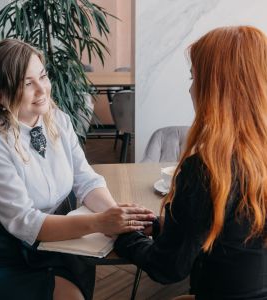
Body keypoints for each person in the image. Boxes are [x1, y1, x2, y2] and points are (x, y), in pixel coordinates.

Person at [0, 39, 155, 300]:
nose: (42, 90)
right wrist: (100, 222)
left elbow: (85, 179)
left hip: (58, 239)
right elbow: (26, 222)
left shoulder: (58, 119)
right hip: (0, 252)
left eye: (42, 76)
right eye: (27, 83)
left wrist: (114, 215)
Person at [114, 25, 267, 300]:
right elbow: (233, 238)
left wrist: (125, 238)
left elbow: (168, 268)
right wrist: (163, 227)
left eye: (194, 77)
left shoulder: (207, 170)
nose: (191, 89)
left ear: (215, 89)